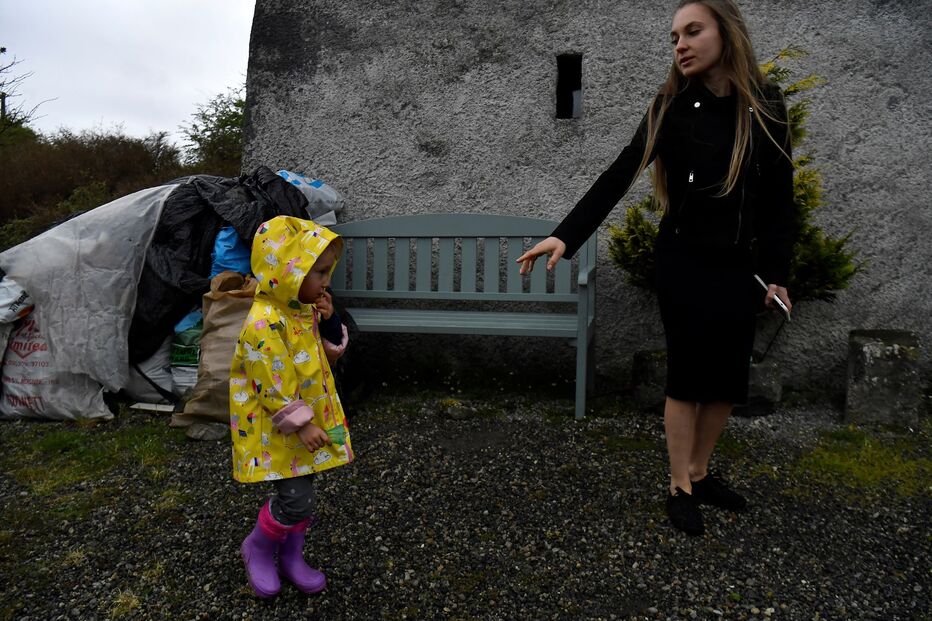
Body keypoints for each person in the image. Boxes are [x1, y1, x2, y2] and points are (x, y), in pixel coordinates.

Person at [517, 0, 795, 536]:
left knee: (726, 381)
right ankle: (679, 485)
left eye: (693, 31)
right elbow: (620, 172)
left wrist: (776, 273)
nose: (680, 45)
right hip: (683, 262)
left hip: (740, 267)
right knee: (688, 377)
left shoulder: (766, 105)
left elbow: (780, 200)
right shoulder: (670, 106)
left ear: (726, 33)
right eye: (674, 38)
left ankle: (701, 472)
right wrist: (566, 236)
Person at [231, 215, 353, 597]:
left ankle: (290, 556)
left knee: (304, 491)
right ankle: (258, 547)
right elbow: (271, 384)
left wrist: (329, 323)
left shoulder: (301, 311)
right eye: (319, 272)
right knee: (296, 498)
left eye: (328, 271)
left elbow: (322, 358)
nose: (326, 281)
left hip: (306, 424)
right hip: (279, 429)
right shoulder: (265, 323)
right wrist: (301, 424)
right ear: (288, 272)